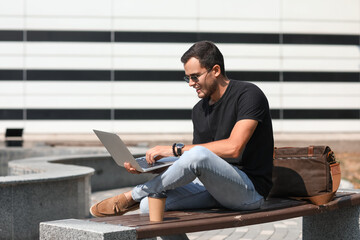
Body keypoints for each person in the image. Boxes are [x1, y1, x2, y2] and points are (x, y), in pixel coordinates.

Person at [90, 41, 274, 239]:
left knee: (197, 154)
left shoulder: (248, 95)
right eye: (187, 77)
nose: (190, 83)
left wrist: (175, 149)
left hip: (249, 191)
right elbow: (193, 163)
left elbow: (233, 148)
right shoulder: (199, 110)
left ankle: (133, 195)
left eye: (195, 77)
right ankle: (140, 197)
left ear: (216, 70)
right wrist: (154, 166)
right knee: (149, 206)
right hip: (213, 188)